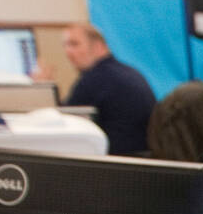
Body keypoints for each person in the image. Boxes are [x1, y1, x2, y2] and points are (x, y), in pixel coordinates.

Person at [32, 23, 156, 155]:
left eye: (74, 44)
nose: (68, 52)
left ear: (98, 46)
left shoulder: (95, 79)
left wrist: (43, 90)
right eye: (65, 45)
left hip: (114, 162)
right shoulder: (129, 72)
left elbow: (63, 126)